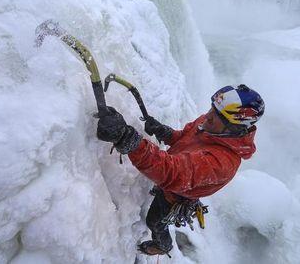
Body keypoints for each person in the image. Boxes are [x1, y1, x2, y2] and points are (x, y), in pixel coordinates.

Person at [96, 84, 265, 256]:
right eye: (212, 109)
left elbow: (171, 172)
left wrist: (128, 139)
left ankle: (163, 246)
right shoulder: (210, 125)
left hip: (179, 193)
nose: (207, 116)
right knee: (156, 217)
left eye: (217, 116)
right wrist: (164, 132)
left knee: (154, 221)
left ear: (234, 127)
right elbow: (184, 138)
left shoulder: (222, 163)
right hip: (177, 178)